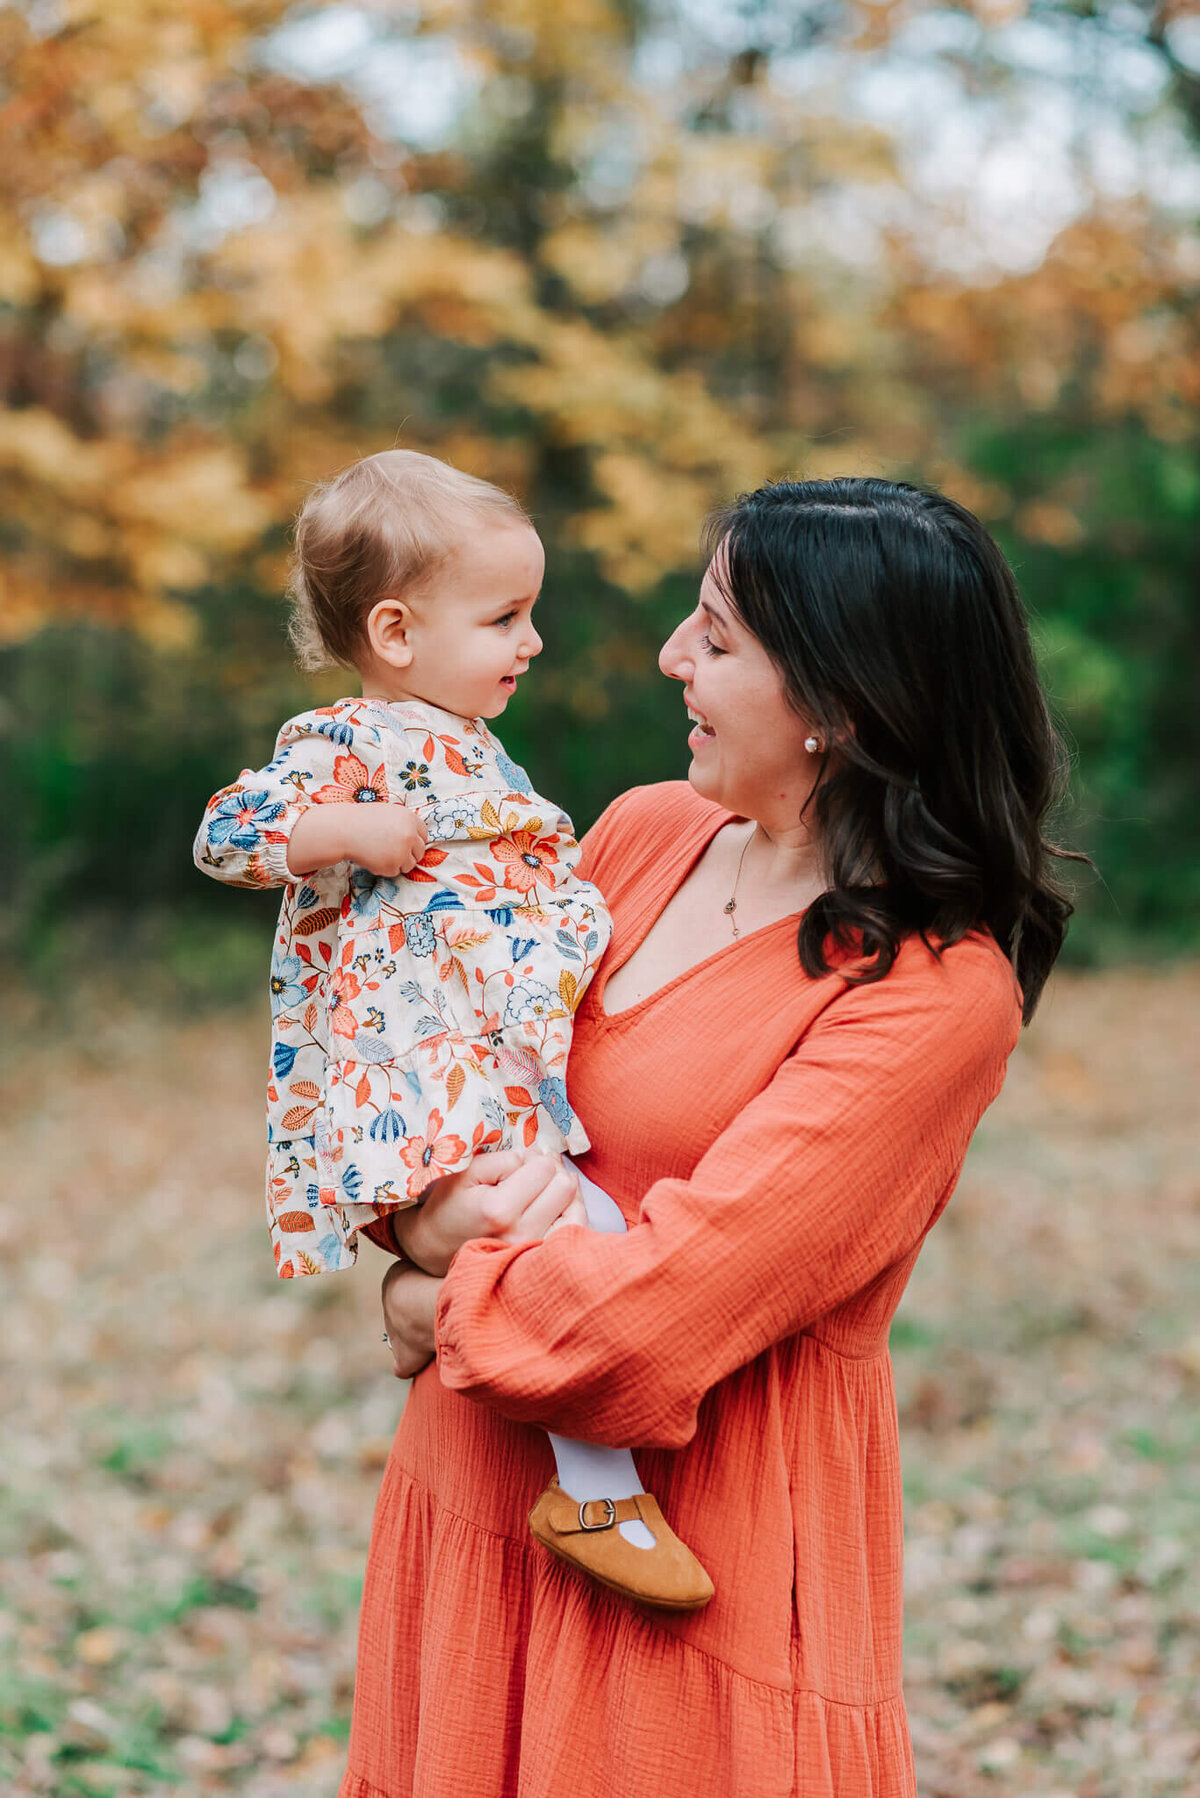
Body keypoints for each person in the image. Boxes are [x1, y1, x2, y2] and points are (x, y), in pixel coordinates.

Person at [342, 477, 1077, 1798]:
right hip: (478, 1493)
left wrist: (433, 1311)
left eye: (719, 634)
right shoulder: (640, 834)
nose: (672, 654)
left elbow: (657, 1318)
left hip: (697, 1558)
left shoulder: (929, 993)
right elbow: (431, 1068)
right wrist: (412, 1233)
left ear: (841, 705)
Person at [192, 448, 711, 1610]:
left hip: (491, 1079)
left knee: (559, 1226)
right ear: (396, 631)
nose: (533, 642)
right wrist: (339, 834)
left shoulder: (474, 748)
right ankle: (594, 1485)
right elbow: (224, 832)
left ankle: (431, 1321)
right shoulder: (352, 741)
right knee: (569, 1233)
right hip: (411, 1088)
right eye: (506, 617)